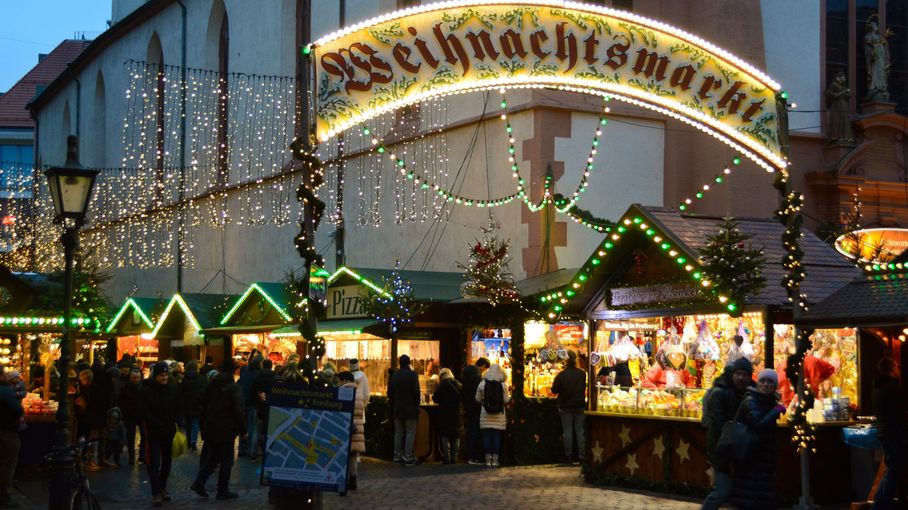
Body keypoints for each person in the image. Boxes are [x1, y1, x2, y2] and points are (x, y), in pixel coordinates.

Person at [701, 357, 754, 510]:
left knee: (738, 493)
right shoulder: (719, 393)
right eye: (738, 373)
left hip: (740, 449)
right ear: (732, 374)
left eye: (745, 374)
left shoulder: (749, 392)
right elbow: (718, 423)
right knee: (722, 491)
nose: (741, 377)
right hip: (721, 449)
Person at [730, 368, 785, 510]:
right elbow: (758, 424)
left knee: (759, 497)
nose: (766, 384)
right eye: (763, 381)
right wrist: (776, 410)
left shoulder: (766, 401)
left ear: (775, 386)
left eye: (770, 382)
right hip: (751, 457)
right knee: (751, 498)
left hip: (761, 458)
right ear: (758, 384)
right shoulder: (751, 400)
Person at [191, 361, 246, 501]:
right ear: (233, 372)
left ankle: (199, 483)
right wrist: (243, 430)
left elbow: (198, 402)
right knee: (227, 461)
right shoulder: (233, 388)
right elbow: (239, 410)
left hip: (211, 427)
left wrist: (205, 419)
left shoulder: (211, 385)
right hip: (226, 429)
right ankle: (222, 490)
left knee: (214, 458)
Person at [139, 361, 181, 507]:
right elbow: (144, 411)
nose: (164, 378)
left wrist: (176, 421)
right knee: (154, 463)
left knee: (167, 462)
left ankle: (162, 487)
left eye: (165, 375)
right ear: (155, 376)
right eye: (161, 375)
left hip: (169, 431)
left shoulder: (173, 388)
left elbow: (177, 406)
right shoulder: (147, 390)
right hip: (154, 432)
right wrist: (156, 423)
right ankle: (156, 492)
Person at [872, 357, 906, 510]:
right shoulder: (892, 387)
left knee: (891, 466)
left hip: (884, 432)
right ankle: (882, 502)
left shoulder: (878, 387)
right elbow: (897, 413)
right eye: (897, 366)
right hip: (893, 432)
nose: (899, 369)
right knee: (893, 468)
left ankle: (881, 500)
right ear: (892, 368)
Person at [551, 350, 587, 464]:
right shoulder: (582, 374)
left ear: (565, 360)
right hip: (580, 405)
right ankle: (582, 456)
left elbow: (554, 390)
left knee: (567, 432)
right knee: (580, 431)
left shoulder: (561, 375)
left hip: (565, 406)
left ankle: (568, 456)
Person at [475, 363, 510, 467]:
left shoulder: (482, 383)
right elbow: (506, 400)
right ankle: (495, 460)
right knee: (496, 437)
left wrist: (483, 403)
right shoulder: (503, 385)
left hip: (485, 413)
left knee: (486, 436)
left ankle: (487, 460)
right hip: (499, 415)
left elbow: (477, 398)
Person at [388, 354, 420, 465]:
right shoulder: (412, 375)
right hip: (410, 409)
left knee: (398, 433)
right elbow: (416, 392)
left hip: (398, 409)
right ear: (409, 363)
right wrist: (417, 404)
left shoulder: (395, 375)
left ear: (399, 363)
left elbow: (390, 393)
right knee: (410, 432)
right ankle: (408, 456)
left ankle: (397, 455)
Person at [0, 367, 23, 509]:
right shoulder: (5, 391)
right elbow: (18, 409)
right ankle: (3, 497)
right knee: (7, 465)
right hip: (6, 433)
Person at [338, 370, 365, 490]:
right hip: (357, 426)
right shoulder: (358, 392)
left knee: (343, 453)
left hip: (345, 425)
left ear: (344, 380)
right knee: (353, 454)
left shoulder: (342, 392)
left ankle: (343, 479)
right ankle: (353, 478)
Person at [462, 357, 489, 465]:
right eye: (485, 369)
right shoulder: (477, 377)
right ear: (482, 366)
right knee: (475, 432)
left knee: (470, 431)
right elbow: (479, 394)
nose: (484, 371)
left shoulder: (467, 374)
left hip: (468, 407)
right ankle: (473, 457)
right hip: (475, 408)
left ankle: (469, 456)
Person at [432, 368, 462, 464]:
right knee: (456, 435)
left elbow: (435, 398)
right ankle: (454, 457)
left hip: (444, 412)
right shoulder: (457, 383)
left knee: (445, 435)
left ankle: (447, 458)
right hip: (456, 412)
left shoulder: (441, 385)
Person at [237, 353, 262, 459]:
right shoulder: (257, 375)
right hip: (252, 404)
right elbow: (256, 391)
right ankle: (248, 449)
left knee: (243, 426)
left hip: (243, 403)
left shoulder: (245, 372)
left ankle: (241, 449)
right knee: (251, 427)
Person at [180, 360, 206, 451]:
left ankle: (188, 442)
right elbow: (204, 392)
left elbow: (181, 392)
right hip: (197, 405)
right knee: (195, 424)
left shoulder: (185, 379)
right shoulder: (201, 378)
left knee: (188, 425)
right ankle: (193, 441)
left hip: (186, 405)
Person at [120, 368, 143, 465]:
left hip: (140, 415)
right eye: (134, 377)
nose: (136, 379)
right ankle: (132, 457)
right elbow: (122, 402)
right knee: (130, 437)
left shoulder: (143, 388)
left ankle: (141, 455)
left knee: (143, 436)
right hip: (130, 416)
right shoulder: (125, 388)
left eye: (137, 377)